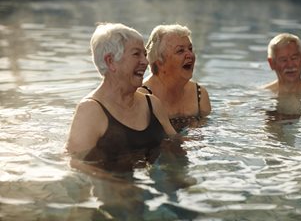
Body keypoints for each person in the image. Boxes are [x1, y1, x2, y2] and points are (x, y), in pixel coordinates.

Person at [66, 23, 177, 175]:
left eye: (144, 54)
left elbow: (176, 147)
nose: (145, 61)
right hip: (113, 193)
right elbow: (77, 164)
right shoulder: (90, 111)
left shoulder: (152, 104)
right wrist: (118, 187)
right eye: (136, 54)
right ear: (110, 61)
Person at [139, 24, 211, 131]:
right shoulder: (142, 97)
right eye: (180, 51)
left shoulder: (200, 95)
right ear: (160, 63)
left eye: (190, 49)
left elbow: (205, 134)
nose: (189, 55)